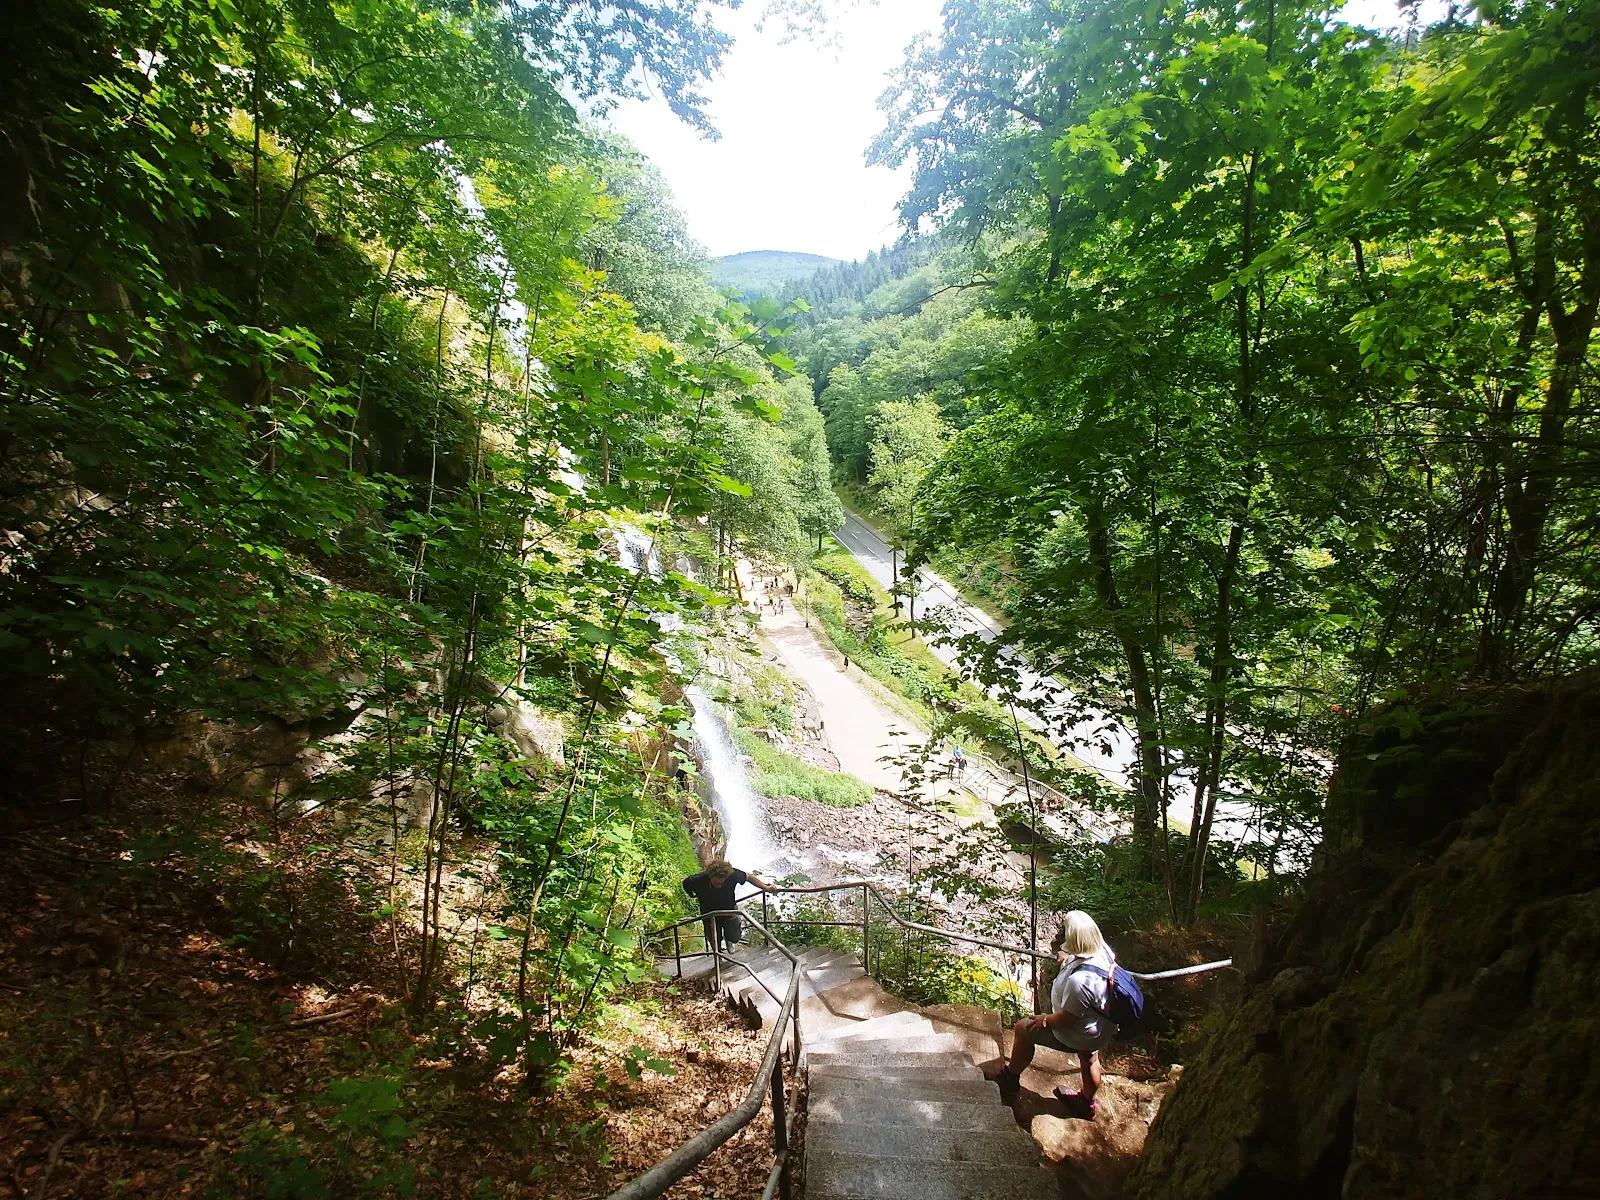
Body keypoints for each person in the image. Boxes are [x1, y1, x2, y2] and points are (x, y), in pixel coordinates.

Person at [985, 910, 1118, 1120]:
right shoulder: (1104, 951)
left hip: (1079, 1031)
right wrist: (1068, 958)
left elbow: (1067, 1018)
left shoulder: (1079, 982)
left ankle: (1010, 1079)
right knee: (1091, 1060)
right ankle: (1086, 1102)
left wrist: (1045, 1019)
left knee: (1023, 1028)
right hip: (1099, 1025)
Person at [682, 859, 770, 950]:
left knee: (734, 936)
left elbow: (749, 877)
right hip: (708, 913)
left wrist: (765, 887)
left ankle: (730, 940)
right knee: (714, 938)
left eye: (722, 883)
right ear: (710, 876)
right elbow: (686, 883)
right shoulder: (698, 879)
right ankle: (718, 955)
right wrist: (691, 894)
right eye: (716, 883)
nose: (719, 886)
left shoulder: (732, 874)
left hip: (729, 909)